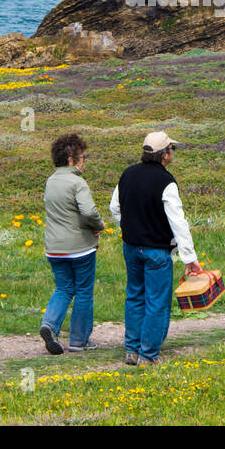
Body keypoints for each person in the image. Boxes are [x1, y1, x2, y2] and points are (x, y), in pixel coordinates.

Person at [109, 131, 200, 366]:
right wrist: (189, 257)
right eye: (172, 149)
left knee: (135, 296)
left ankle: (132, 349)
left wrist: (129, 227)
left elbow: (114, 208)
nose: (173, 153)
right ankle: (148, 355)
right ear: (164, 154)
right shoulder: (166, 182)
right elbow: (177, 222)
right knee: (156, 301)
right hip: (157, 250)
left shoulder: (127, 174)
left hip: (131, 247)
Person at [39, 133, 105, 355]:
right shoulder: (78, 182)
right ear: (70, 160)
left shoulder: (50, 181)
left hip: (54, 248)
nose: (83, 161)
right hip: (80, 248)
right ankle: (79, 341)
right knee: (84, 291)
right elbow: (87, 211)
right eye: (82, 157)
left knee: (64, 288)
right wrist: (99, 224)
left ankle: (49, 324)